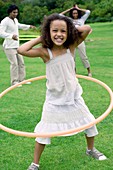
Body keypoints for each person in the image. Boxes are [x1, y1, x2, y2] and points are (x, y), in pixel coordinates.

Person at [17, 13, 107, 170]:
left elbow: (87, 28)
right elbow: (21, 49)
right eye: (54, 31)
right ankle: (35, 163)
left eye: (63, 31)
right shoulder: (45, 52)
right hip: (54, 100)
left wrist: (71, 29)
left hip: (74, 97)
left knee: (89, 123)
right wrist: (41, 38)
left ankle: (90, 150)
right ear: (48, 32)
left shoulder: (70, 47)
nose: (59, 34)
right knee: (44, 132)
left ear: (69, 33)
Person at [0, 4, 36, 86]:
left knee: (21, 63)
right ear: (9, 12)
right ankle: (14, 82)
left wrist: (29, 26)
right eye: (14, 12)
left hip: (17, 46)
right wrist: (11, 36)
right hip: (9, 47)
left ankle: (22, 80)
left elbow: (19, 25)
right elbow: (1, 33)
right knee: (14, 64)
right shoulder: (5, 21)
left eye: (16, 12)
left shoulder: (15, 20)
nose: (15, 14)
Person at [60, 4, 92, 77]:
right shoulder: (69, 20)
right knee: (72, 57)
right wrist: (70, 9)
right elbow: (60, 15)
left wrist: (78, 8)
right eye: (73, 13)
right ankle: (74, 73)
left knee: (83, 56)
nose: (75, 14)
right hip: (72, 40)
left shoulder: (82, 19)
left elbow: (88, 12)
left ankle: (89, 71)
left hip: (80, 39)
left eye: (76, 13)